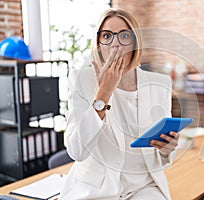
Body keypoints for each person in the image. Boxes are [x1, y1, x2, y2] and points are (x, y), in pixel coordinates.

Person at [59, 8, 179, 200]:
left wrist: (166, 150)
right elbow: (77, 151)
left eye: (124, 36)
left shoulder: (159, 84)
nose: (115, 44)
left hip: (143, 186)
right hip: (96, 189)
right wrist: (103, 94)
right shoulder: (81, 80)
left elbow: (161, 156)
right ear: (98, 44)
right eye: (107, 36)